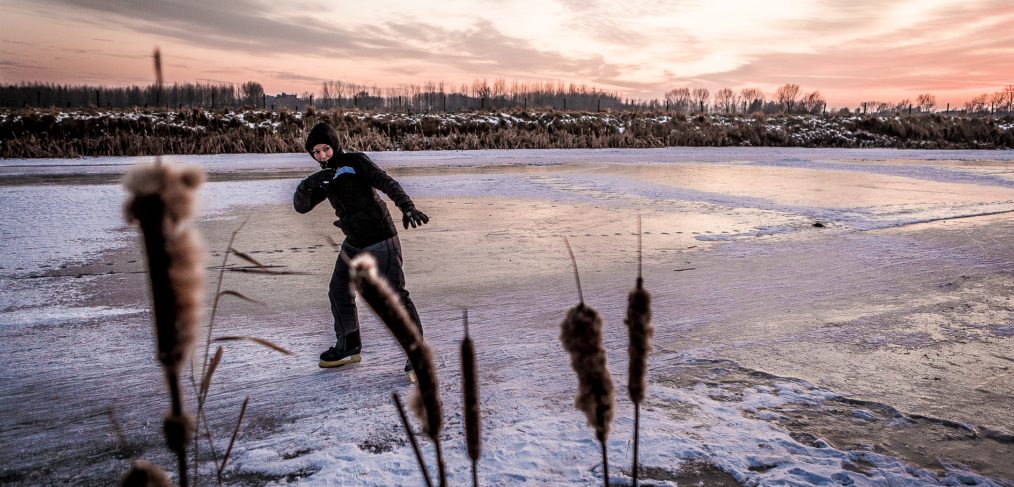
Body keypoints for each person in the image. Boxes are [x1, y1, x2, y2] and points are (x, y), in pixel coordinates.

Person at [294, 122, 429, 370]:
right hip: (354, 243)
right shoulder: (325, 177)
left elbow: (387, 183)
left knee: (396, 296)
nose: (322, 155)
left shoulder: (355, 162)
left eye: (326, 149)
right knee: (339, 291)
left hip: (381, 238)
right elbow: (301, 206)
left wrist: (407, 207)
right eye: (316, 152)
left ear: (334, 145)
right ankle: (348, 345)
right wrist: (307, 185)